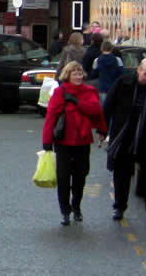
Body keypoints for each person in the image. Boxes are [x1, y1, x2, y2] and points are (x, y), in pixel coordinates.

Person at [42, 61, 107, 226]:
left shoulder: (89, 91)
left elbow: (96, 111)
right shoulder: (59, 92)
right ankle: (65, 211)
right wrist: (47, 141)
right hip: (63, 141)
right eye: (75, 74)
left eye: (80, 74)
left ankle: (76, 206)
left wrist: (101, 129)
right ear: (68, 75)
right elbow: (51, 117)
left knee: (80, 176)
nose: (78, 77)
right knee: (63, 178)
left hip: (82, 141)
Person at [104, 58, 146, 224]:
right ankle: (119, 207)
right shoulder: (123, 83)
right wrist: (102, 130)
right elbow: (108, 105)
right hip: (124, 135)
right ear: (138, 70)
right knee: (122, 174)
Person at [93, 39, 124, 104]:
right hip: (114, 87)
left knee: (103, 108)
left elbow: (93, 74)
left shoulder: (97, 60)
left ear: (101, 48)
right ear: (111, 48)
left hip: (102, 88)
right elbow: (122, 74)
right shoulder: (118, 60)